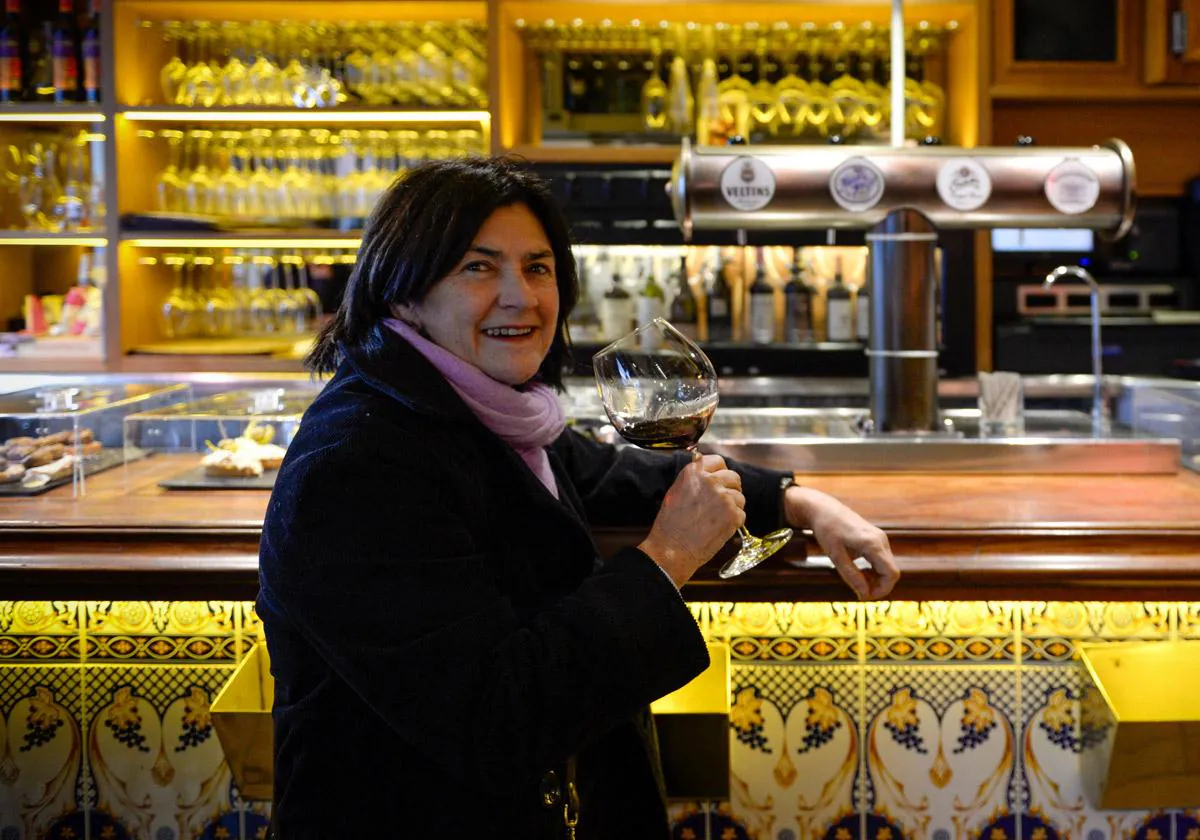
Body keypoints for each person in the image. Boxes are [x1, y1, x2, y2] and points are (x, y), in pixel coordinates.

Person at [257, 157, 898, 839]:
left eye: (537, 268)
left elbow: (608, 475)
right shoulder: (355, 466)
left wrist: (799, 503)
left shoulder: (482, 414)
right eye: (478, 268)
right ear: (402, 289)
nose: (522, 298)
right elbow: (492, 718)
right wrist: (665, 560)